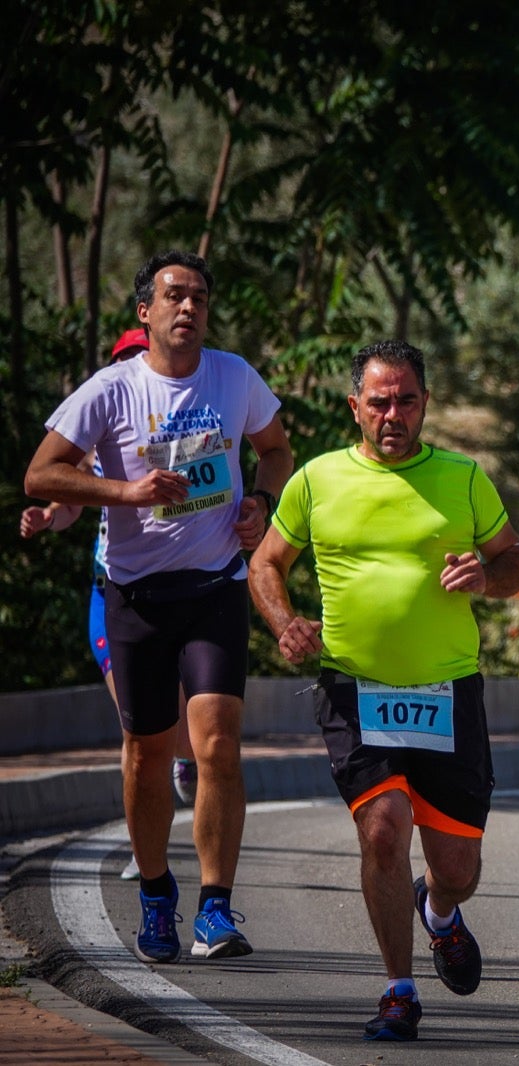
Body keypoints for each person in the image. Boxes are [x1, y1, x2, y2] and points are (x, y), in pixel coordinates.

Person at [248, 339, 519, 1042]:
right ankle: (398, 991)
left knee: (459, 868)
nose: (393, 414)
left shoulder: (464, 478)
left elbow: (517, 561)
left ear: (426, 404)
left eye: (407, 400)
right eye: (379, 401)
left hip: (449, 694)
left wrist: (487, 580)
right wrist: (285, 623)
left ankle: (439, 911)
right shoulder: (317, 480)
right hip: (355, 688)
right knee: (382, 828)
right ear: (355, 407)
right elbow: (266, 564)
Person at [24, 251, 293, 960]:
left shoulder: (235, 377)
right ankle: (154, 897)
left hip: (214, 589)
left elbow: (275, 449)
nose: (189, 308)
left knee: (218, 750)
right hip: (136, 597)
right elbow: (40, 473)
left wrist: (260, 503)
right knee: (147, 759)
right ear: (145, 312)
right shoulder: (110, 391)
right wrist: (127, 492)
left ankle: (216, 909)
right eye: (175, 296)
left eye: (200, 298)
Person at [20, 327, 199, 837]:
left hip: (180, 591)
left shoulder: (178, 435)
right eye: (122, 361)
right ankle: (141, 846)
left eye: (137, 358)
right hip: (114, 596)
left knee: (181, 734)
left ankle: (185, 762)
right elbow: (70, 501)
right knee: (136, 725)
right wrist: (48, 519)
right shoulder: (96, 444)